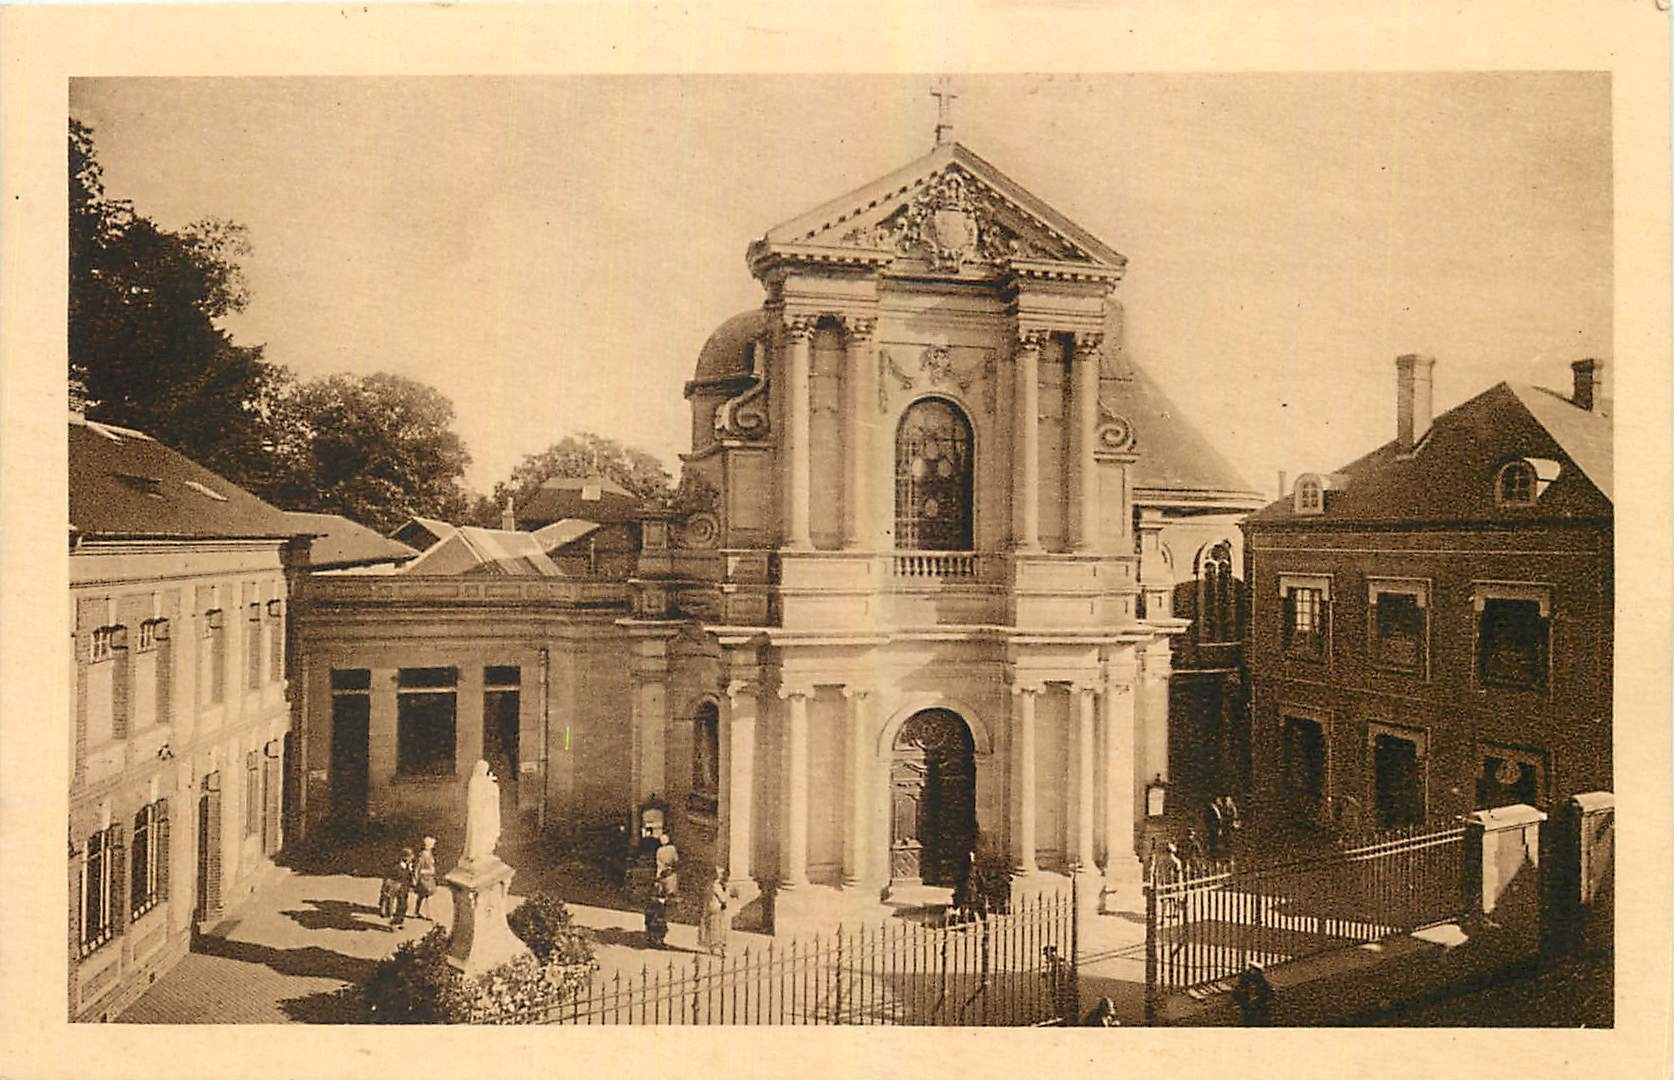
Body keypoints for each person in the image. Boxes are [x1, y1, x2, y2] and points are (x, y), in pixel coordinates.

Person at [698, 869, 731, 957]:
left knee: (711, 927)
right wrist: (727, 891)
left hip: (709, 907)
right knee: (720, 929)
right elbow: (722, 898)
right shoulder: (716, 885)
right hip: (717, 908)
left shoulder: (708, 884)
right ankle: (721, 949)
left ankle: (711, 947)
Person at [382, 848, 415, 930]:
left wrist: (410, 884)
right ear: (405, 857)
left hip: (404, 888)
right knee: (391, 905)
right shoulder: (396, 866)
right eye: (410, 857)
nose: (412, 859)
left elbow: (409, 878)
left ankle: (399, 921)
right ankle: (392, 923)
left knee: (403, 905)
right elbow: (389, 878)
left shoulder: (409, 867)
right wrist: (387, 888)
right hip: (395, 887)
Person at [412, 836, 438, 920]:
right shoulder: (424, 855)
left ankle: (418, 912)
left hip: (427, 877)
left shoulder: (427, 853)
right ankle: (427, 913)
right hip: (424, 878)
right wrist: (416, 878)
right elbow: (418, 867)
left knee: (422, 896)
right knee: (425, 895)